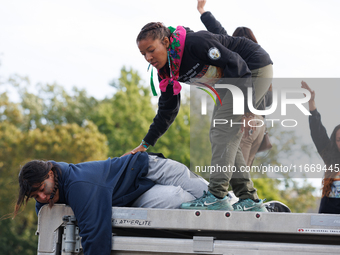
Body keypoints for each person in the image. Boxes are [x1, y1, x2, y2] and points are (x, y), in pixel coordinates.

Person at [126, 20, 270, 213]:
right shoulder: (166, 71)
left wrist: (247, 109)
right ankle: (249, 198)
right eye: (143, 54)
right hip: (233, 80)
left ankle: (217, 196)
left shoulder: (195, 43)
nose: (148, 57)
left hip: (252, 69)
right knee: (219, 133)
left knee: (222, 132)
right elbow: (167, 110)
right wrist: (145, 144)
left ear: (166, 42)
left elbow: (236, 64)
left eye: (151, 50)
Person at [14, 152, 209, 255]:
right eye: (35, 196)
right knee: (179, 198)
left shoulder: (79, 185)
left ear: (50, 174)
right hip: (135, 195)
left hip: (147, 167)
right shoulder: (47, 197)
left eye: (42, 188)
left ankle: (235, 200)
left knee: (208, 194)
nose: (42, 197)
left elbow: (94, 234)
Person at [197, 0, 273, 166]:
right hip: (259, 127)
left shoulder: (236, 54)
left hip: (246, 121)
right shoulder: (263, 69)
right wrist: (202, 11)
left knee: (233, 173)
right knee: (243, 178)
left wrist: (202, 11)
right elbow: (269, 103)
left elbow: (218, 31)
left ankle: (219, 191)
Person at [301, 81, 340, 214]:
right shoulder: (331, 158)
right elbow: (317, 132)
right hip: (328, 215)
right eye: (339, 140)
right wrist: (311, 103)